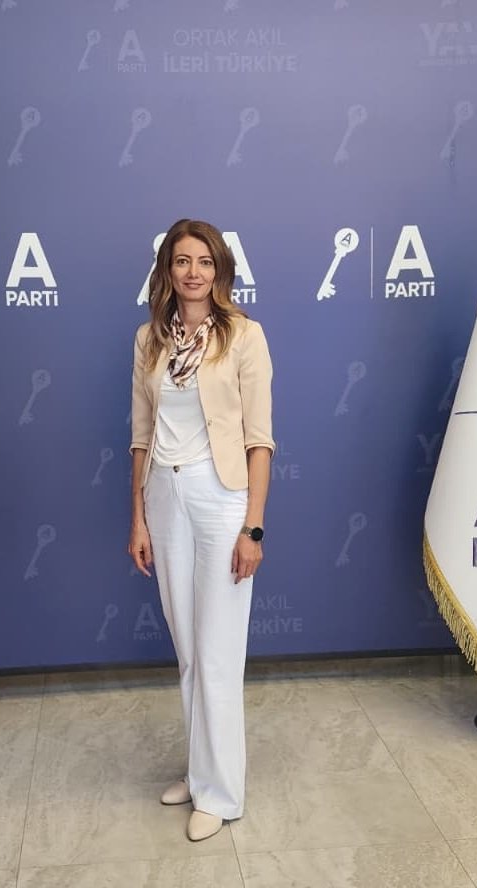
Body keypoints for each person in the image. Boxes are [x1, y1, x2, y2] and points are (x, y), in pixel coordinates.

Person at [128, 219, 274, 842]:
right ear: (168, 270)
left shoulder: (244, 336)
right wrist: (138, 516)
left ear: (220, 270)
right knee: (189, 648)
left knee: (218, 650)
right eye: (183, 261)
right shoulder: (150, 339)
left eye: (205, 261)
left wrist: (253, 529)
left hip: (222, 501)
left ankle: (221, 793)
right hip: (164, 495)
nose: (194, 272)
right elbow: (140, 436)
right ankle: (199, 771)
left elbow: (259, 439)